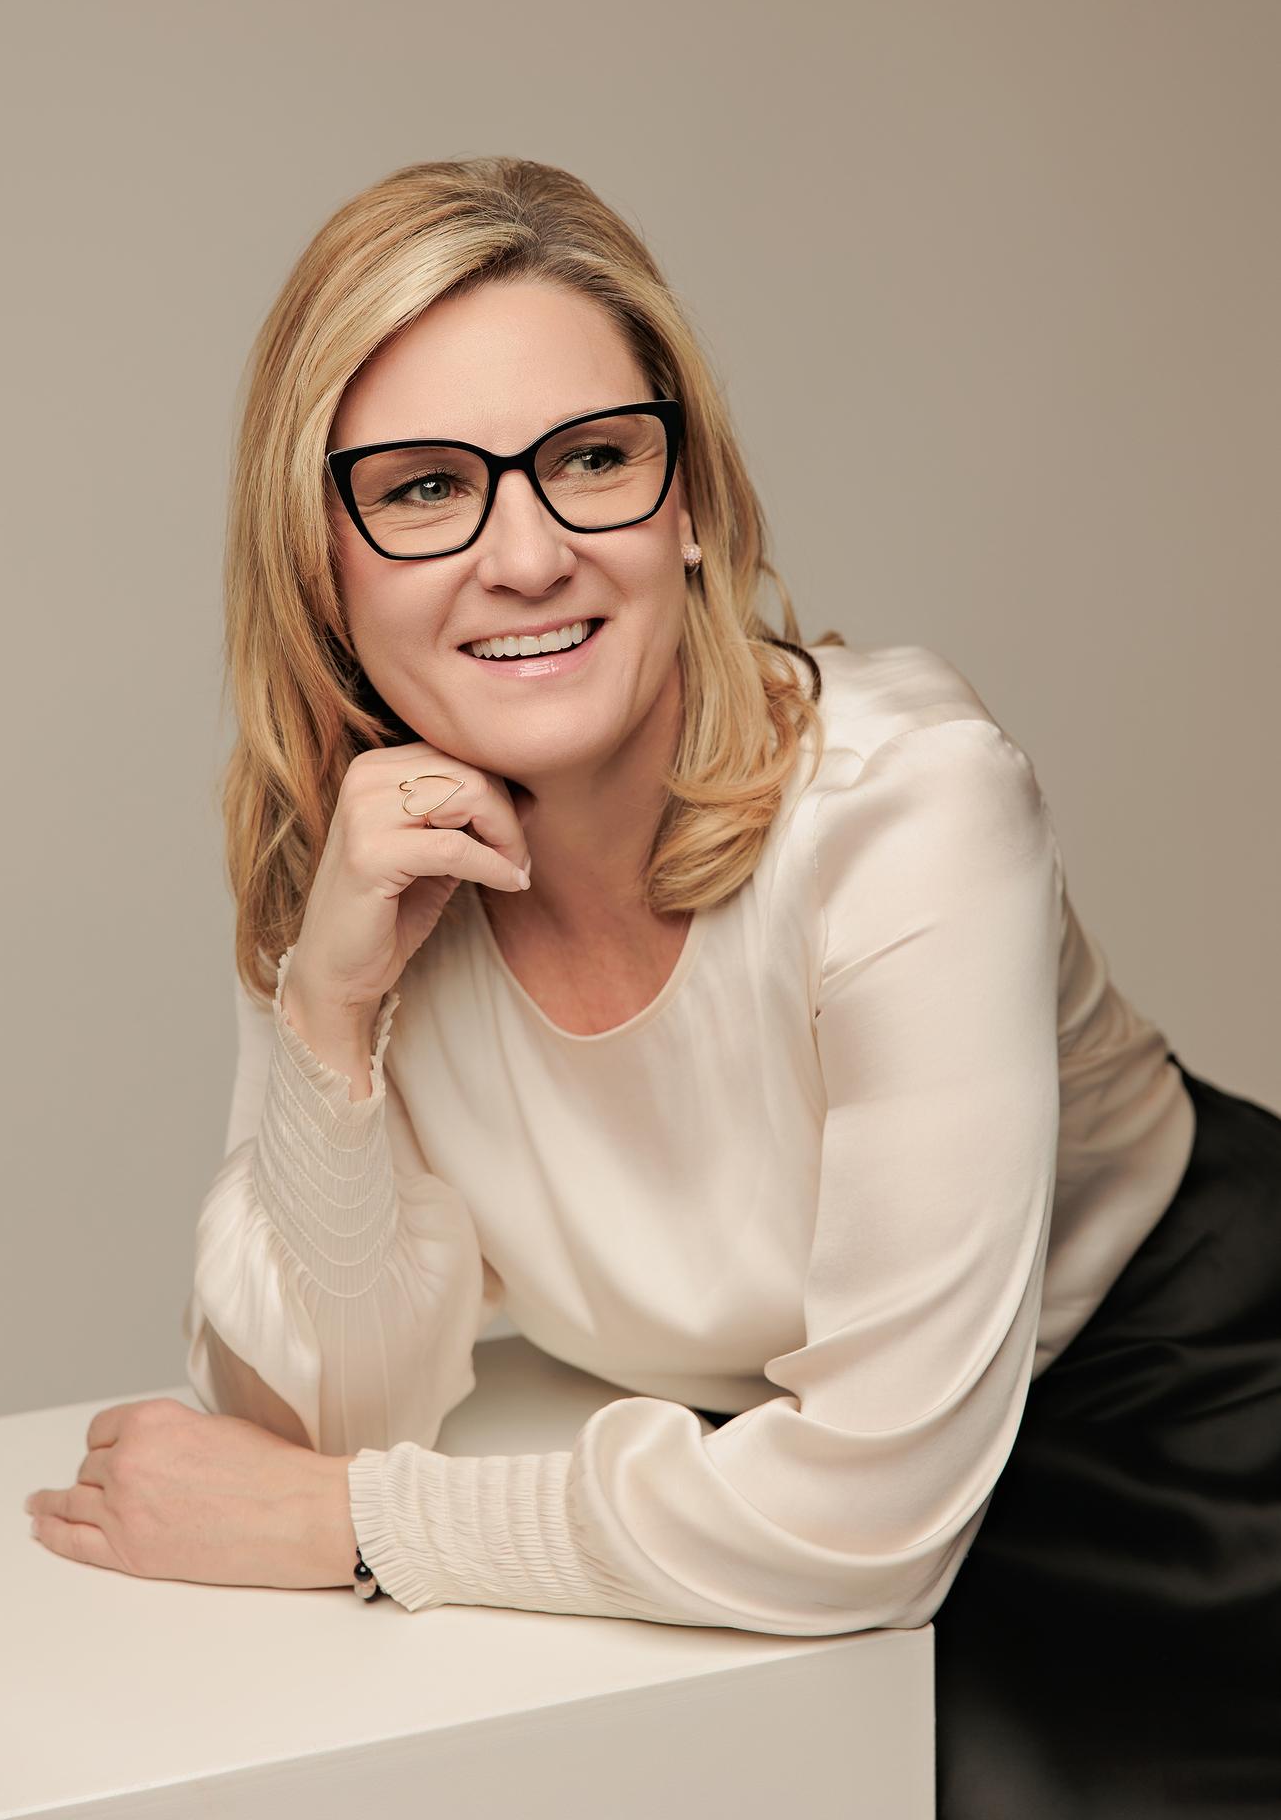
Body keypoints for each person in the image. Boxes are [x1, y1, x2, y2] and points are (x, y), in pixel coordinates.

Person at [182, 156, 1281, 1816]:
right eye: (421, 490)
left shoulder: (909, 811)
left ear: (687, 502)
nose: (527, 553)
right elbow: (303, 1420)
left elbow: (869, 1520)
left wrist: (366, 1526)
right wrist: (328, 1021)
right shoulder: (358, 874)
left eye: (593, 461)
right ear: (320, 560)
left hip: (1184, 1413)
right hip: (761, 1481)